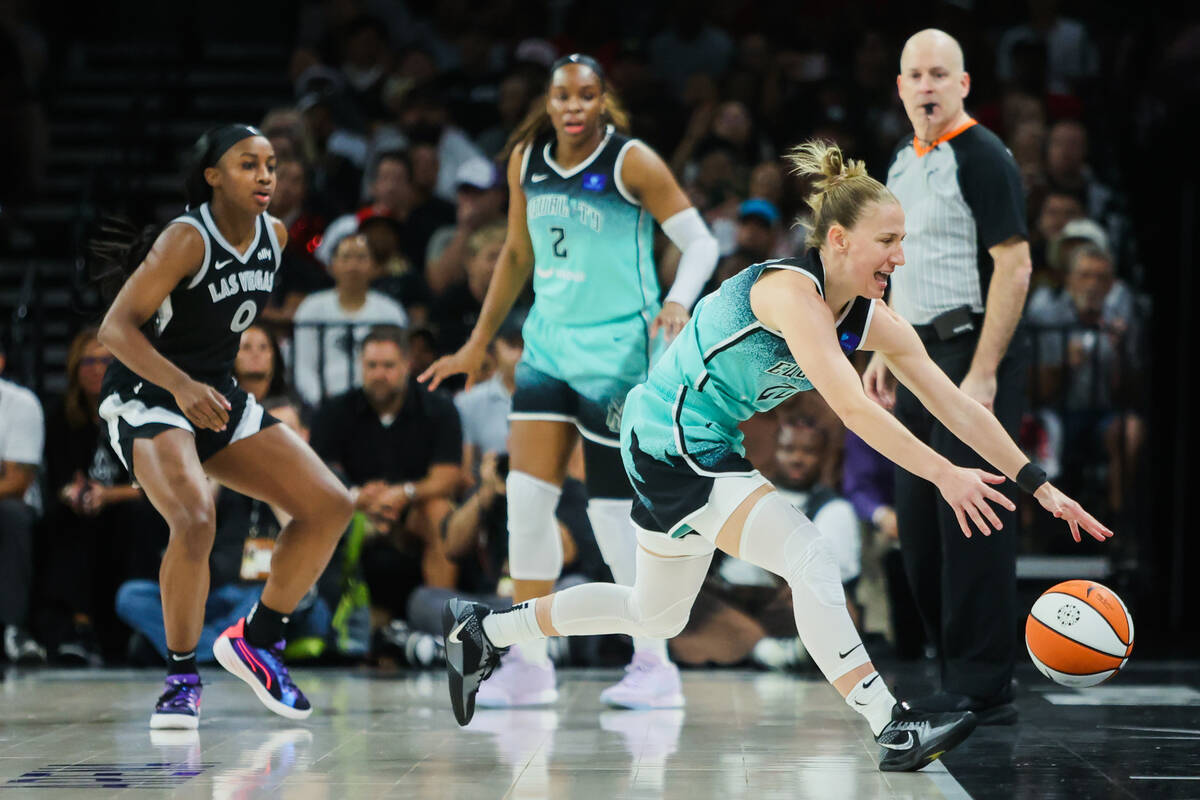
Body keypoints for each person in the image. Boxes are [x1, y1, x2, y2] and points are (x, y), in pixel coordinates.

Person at [443, 140, 1112, 772]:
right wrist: (944, 474)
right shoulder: (790, 292)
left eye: (904, 241)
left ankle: (484, 631)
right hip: (675, 437)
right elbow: (853, 409)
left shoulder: (866, 318)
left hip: (684, 439)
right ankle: (892, 725)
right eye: (889, 242)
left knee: (656, 613)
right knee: (807, 553)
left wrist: (1038, 484)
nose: (901, 258)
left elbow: (956, 404)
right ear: (841, 241)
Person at [422, 53, 720, 710]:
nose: (575, 106)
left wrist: (679, 300)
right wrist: (477, 341)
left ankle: (654, 662)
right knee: (525, 505)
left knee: (611, 515)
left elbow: (700, 242)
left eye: (587, 95)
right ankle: (529, 664)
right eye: (564, 96)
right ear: (549, 103)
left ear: (602, 101)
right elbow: (517, 254)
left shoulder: (631, 160)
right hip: (548, 348)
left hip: (619, 353)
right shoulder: (526, 159)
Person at [94, 124, 354, 729]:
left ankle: (258, 639)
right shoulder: (187, 238)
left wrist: (205, 390)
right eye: (247, 164)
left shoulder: (278, 235)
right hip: (149, 391)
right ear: (213, 177)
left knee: (330, 506)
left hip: (214, 394)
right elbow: (115, 328)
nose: (265, 175)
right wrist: (181, 387)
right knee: (195, 517)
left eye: (271, 164)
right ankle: (181, 679)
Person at [862, 29, 1036, 724]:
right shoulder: (900, 162)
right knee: (920, 530)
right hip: (914, 355)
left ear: (964, 84)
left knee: (975, 520)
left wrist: (986, 370)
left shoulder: (984, 156)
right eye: (915, 75)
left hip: (971, 353)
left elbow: (1015, 264)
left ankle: (985, 685)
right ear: (900, 87)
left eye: (940, 74)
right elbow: (896, 262)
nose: (926, 86)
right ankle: (954, 670)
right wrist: (881, 345)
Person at [309, 326, 463, 620]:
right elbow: (321, 475)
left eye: (389, 366)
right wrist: (359, 498)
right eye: (372, 366)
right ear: (361, 367)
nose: (379, 374)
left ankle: (446, 624)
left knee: (439, 511)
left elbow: (448, 476)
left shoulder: (438, 408)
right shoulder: (333, 412)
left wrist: (404, 493)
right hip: (353, 511)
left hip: (412, 510)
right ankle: (325, 626)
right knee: (321, 514)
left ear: (407, 365)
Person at [291, 232, 408, 405]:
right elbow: (303, 368)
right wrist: (321, 402)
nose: (353, 265)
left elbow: (399, 366)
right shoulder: (311, 309)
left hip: (377, 402)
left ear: (374, 266)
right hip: (323, 402)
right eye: (346, 258)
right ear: (331, 266)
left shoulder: (391, 313)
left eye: (361, 258)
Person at [0, 330, 47, 665]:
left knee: (10, 513)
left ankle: (13, 628)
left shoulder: (20, 404)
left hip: (10, 506)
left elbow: (16, 482)